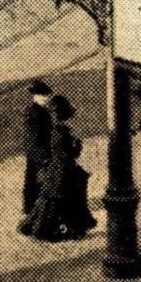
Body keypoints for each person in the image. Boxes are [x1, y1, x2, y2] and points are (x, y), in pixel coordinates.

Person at [21, 95, 94, 240]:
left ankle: (65, 228)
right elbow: (66, 153)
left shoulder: (58, 129)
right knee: (63, 199)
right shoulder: (61, 131)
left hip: (59, 168)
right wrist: (76, 146)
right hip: (62, 169)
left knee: (57, 199)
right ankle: (55, 230)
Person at [18, 79, 54, 222]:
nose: (45, 98)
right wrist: (42, 156)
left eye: (46, 95)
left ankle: (32, 207)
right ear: (35, 96)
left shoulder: (42, 111)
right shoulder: (33, 113)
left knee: (34, 180)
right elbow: (32, 138)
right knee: (35, 180)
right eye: (42, 96)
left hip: (40, 151)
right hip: (37, 152)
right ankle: (31, 208)